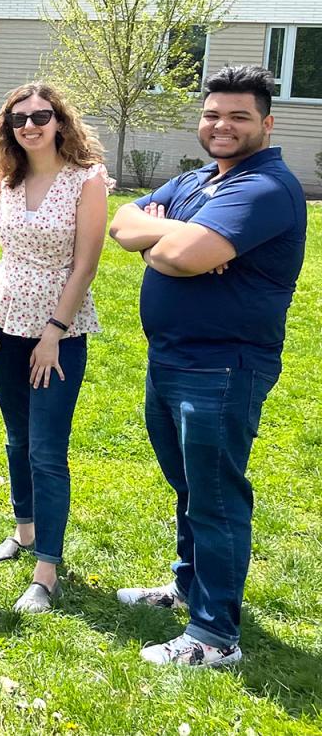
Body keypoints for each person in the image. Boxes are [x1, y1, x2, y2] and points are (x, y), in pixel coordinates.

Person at [108, 65, 306, 667]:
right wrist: (175, 237)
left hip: (222, 367)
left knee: (215, 497)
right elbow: (122, 224)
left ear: (266, 124)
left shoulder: (266, 188)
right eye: (213, 114)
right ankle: (189, 587)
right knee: (190, 486)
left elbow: (183, 257)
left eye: (239, 116)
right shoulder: (200, 180)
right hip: (171, 356)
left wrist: (175, 244)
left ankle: (215, 637)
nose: (222, 125)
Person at [0, 83, 109, 613]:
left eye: (41, 116)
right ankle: (24, 532)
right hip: (2, 322)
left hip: (59, 331)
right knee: (16, 438)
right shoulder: (1, 179)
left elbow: (86, 264)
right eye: (18, 119)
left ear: (59, 121)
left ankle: (46, 569)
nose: (30, 126)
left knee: (47, 449)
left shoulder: (86, 179)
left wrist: (55, 331)